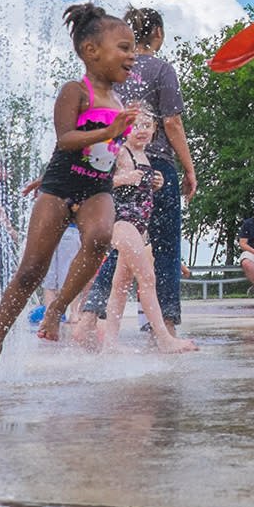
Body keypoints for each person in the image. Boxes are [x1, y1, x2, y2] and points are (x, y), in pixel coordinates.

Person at [0, 2, 141, 393]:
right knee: (31, 271)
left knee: (99, 237)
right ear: (91, 51)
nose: (132, 55)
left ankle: (57, 310)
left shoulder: (118, 103)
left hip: (97, 187)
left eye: (133, 48)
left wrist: (118, 140)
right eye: (124, 47)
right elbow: (66, 140)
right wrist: (108, 131)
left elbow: (105, 156)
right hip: (61, 186)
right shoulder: (75, 91)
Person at [100, 108, 197, 354]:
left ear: (155, 130)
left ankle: (110, 344)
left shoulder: (145, 158)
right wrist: (124, 178)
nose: (141, 130)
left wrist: (157, 183)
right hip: (122, 223)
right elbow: (101, 181)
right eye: (135, 125)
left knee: (120, 285)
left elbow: (141, 192)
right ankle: (164, 338)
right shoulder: (121, 153)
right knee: (147, 278)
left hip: (138, 228)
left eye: (147, 125)